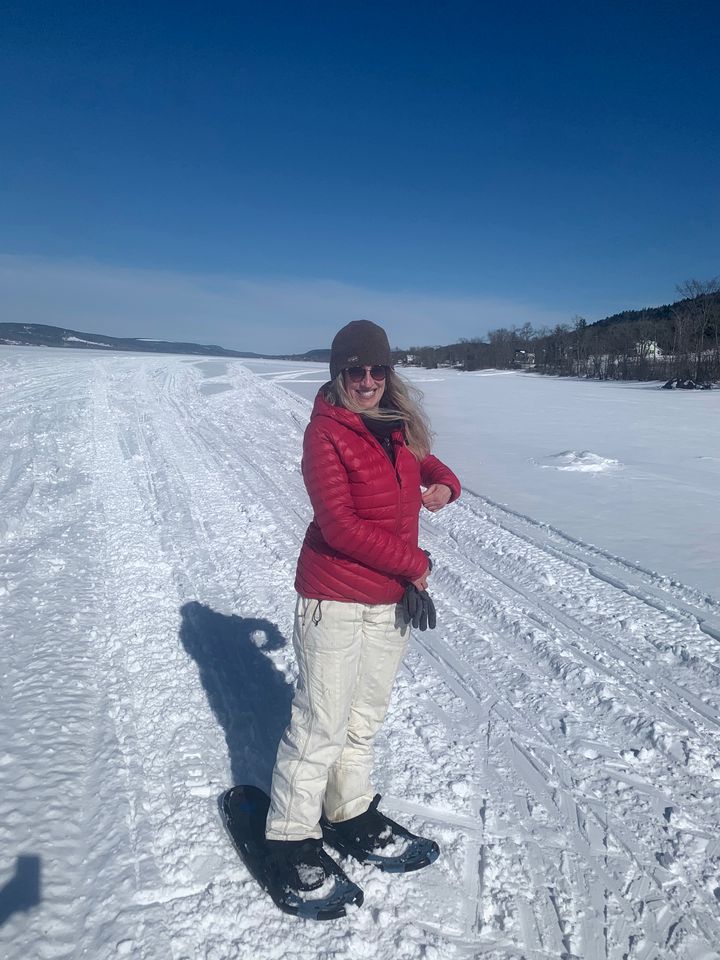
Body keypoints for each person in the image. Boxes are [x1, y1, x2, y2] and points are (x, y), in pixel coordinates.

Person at [264, 319, 460, 893]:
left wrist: (446, 483)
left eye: (378, 369)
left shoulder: (392, 428)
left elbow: (425, 463)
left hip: (388, 601)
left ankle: (348, 809)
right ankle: (290, 833)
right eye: (356, 370)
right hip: (335, 597)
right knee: (320, 722)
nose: (368, 379)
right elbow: (340, 527)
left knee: (364, 717)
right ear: (338, 373)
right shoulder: (324, 433)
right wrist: (415, 567)